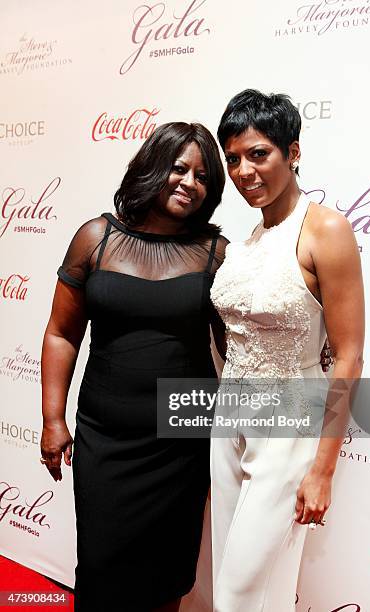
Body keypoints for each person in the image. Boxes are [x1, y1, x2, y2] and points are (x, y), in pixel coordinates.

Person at [40, 122, 228, 612]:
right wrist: (53, 419)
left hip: (182, 439)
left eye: (203, 176)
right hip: (106, 434)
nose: (189, 182)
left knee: (167, 575)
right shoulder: (95, 238)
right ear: (152, 166)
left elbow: (240, 346)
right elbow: (61, 333)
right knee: (102, 571)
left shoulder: (216, 253)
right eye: (179, 168)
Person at [210, 90, 364, 611]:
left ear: (293, 152)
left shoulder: (326, 230)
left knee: (238, 594)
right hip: (228, 416)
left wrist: (323, 469)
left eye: (258, 154)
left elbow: (349, 356)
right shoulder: (248, 239)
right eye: (233, 158)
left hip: (288, 422)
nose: (243, 171)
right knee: (252, 588)